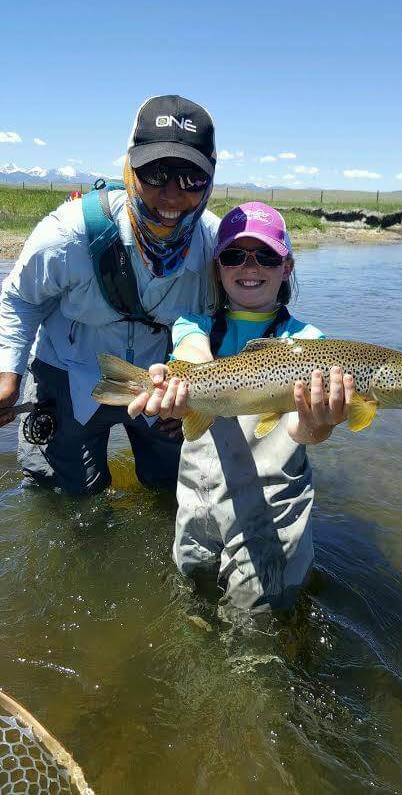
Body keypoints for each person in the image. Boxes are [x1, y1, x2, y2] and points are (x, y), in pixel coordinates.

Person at [128, 202, 354, 614]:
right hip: (198, 504)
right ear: (218, 267)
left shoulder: (311, 343)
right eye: (234, 256)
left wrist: (319, 425)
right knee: (192, 597)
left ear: (286, 266)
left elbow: (303, 434)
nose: (250, 267)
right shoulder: (193, 326)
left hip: (271, 515)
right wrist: (174, 386)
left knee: (259, 622)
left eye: (265, 255)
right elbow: (195, 359)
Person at [0, 95, 220, 494]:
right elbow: (20, 299)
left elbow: (237, 315)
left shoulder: (218, 245)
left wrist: (200, 397)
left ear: (212, 179)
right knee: (65, 497)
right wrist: (7, 373)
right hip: (68, 373)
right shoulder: (68, 233)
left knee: (173, 488)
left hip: (162, 384)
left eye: (191, 179)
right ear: (129, 167)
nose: (171, 195)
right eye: (154, 173)